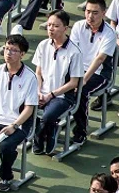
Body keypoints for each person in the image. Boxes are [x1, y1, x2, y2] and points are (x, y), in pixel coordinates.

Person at [0, 34, 37, 192]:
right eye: (7, 49)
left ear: (22, 54)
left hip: (19, 122)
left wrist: (14, 125)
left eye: (13, 50)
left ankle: (6, 176)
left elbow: (29, 109)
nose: (8, 53)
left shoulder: (30, 77)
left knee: (6, 145)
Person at [31, 10, 83, 154]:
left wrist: (50, 95)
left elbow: (74, 83)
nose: (51, 29)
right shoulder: (43, 45)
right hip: (43, 92)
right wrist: (38, 92)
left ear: (65, 28)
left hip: (63, 97)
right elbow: (38, 73)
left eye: (55, 26)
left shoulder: (74, 52)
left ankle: (48, 133)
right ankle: (42, 133)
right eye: (49, 25)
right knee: (22, 107)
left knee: (48, 116)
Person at [69, 0, 116, 144]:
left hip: (99, 73)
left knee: (81, 92)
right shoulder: (78, 26)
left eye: (95, 12)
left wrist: (83, 80)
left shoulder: (110, 33)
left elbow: (100, 59)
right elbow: (72, 52)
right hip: (77, 69)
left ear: (104, 13)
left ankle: (80, 131)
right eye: (88, 11)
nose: (90, 16)